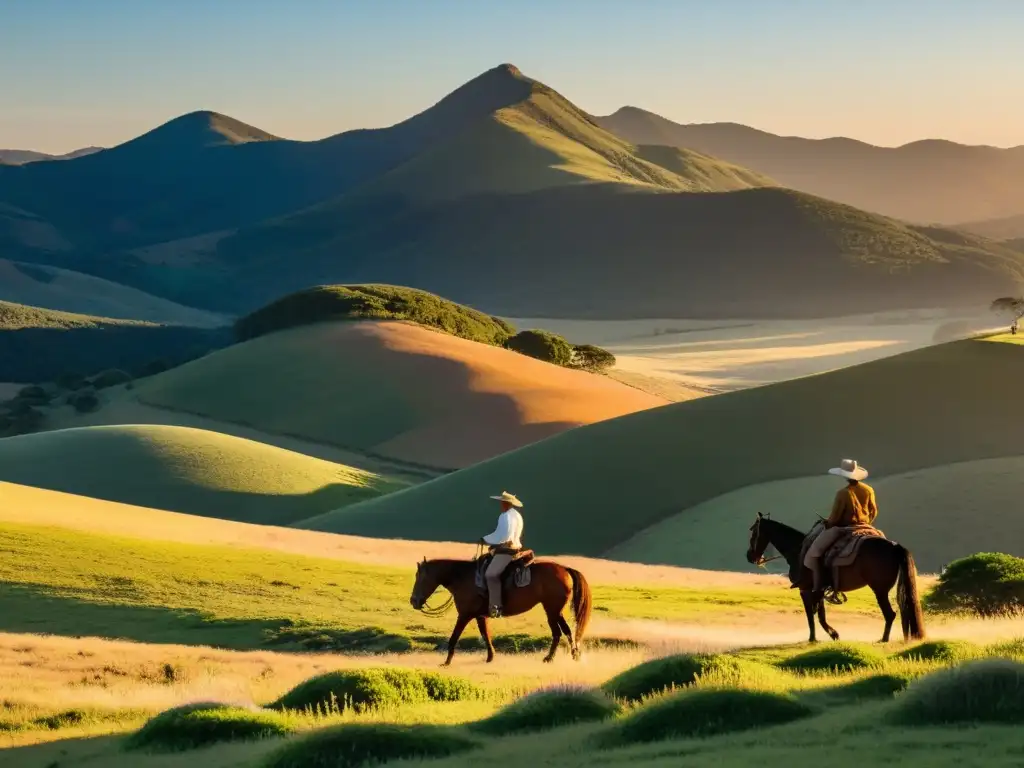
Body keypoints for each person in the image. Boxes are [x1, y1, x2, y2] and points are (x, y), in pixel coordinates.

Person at [803, 459, 878, 595]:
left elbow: (836, 517)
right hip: (866, 527)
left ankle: (820, 586)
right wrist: (866, 523)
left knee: (814, 552)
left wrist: (828, 523)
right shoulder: (869, 490)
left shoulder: (842, 493)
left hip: (844, 529)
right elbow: (874, 511)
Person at [480, 491, 524, 618]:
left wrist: (486, 539)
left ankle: (495, 606)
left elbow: (502, 535)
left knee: (490, 575)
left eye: (501, 502)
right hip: (515, 548)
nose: (500, 504)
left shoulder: (505, 516)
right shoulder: (516, 515)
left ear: (505, 503)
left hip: (507, 550)